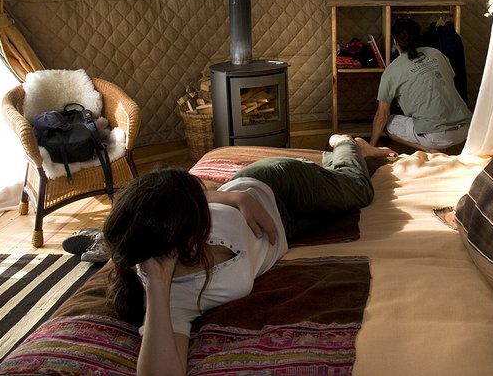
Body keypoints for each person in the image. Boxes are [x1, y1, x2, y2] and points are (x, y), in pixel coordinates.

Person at [102, 135, 395, 376]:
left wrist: (235, 196)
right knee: (338, 195)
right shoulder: (174, 296)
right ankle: (329, 165)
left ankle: (345, 144)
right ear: (185, 238)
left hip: (273, 186)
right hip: (287, 229)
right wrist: (156, 283)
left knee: (358, 190)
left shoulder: (176, 221)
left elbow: (187, 194)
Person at [370, 17, 472, 152]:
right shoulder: (436, 53)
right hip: (466, 128)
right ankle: (440, 147)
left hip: (436, 136)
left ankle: (431, 150)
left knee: (389, 124)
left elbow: (381, 116)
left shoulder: (391, 71)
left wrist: (370, 147)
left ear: (395, 41)